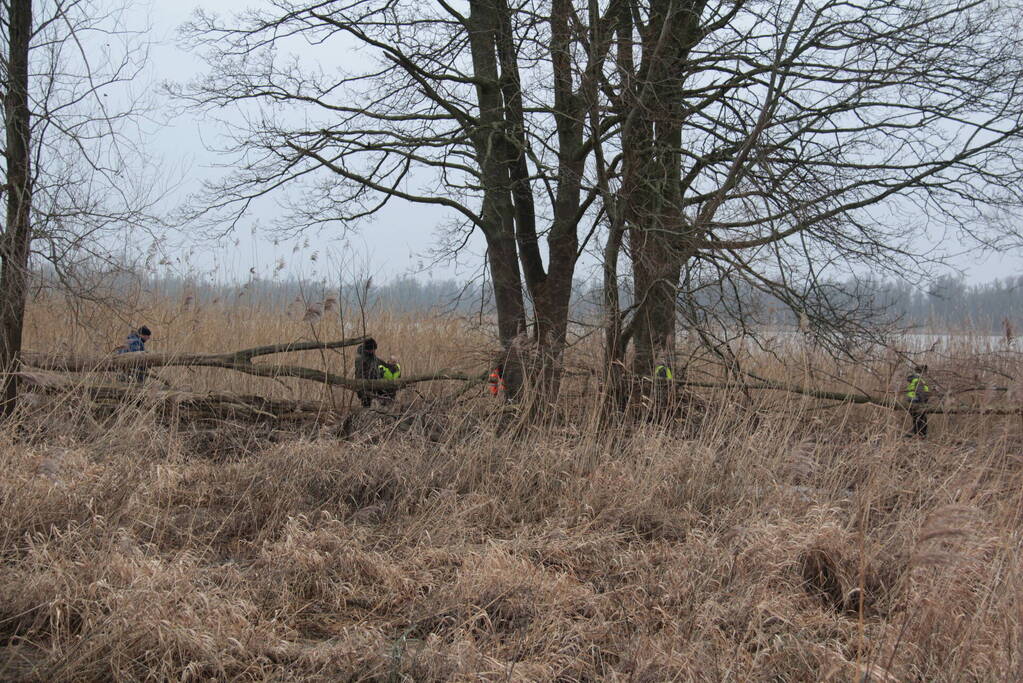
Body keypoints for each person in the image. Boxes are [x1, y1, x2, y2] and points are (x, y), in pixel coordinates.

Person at [354, 338, 401, 407]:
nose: (374, 351)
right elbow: (364, 374)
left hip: (371, 385)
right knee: (367, 403)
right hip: (366, 386)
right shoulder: (362, 359)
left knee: (388, 392)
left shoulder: (369, 356)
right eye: (374, 349)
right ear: (369, 349)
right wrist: (380, 373)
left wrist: (393, 367)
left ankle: (383, 408)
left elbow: (380, 363)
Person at [905, 364, 930, 437]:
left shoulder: (915, 379)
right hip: (917, 402)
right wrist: (923, 403)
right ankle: (921, 435)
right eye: (925, 371)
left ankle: (917, 434)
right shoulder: (919, 380)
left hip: (912, 401)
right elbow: (920, 394)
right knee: (921, 419)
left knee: (917, 419)